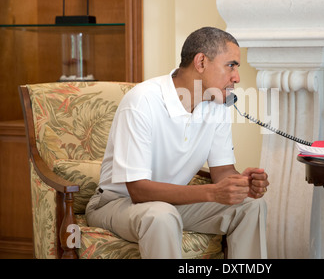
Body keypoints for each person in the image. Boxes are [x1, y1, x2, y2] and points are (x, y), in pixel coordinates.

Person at [86, 27, 269, 259]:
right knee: (161, 215)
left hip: (172, 205)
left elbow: (222, 171)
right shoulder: (142, 101)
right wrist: (212, 193)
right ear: (201, 62)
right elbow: (138, 190)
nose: (237, 77)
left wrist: (241, 184)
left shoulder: (217, 104)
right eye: (231, 65)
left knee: (251, 207)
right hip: (118, 203)